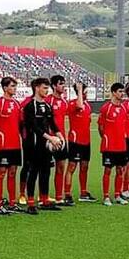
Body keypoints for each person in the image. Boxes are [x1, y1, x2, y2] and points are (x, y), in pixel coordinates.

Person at [23, 78, 64, 214]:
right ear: (36, 88)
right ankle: (30, 203)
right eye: (44, 88)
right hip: (34, 144)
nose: (47, 91)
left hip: (46, 145)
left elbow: (52, 123)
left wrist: (59, 135)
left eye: (47, 88)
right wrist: (50, 137)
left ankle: (44, 200)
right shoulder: (30, 106)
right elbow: (34, 127)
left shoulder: (47, 106)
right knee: (33, 172)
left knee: (45, 171)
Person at [0, 76, 24, 213]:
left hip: (15, 144)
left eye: (15, 86)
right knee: (1, 173)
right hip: (3, 145)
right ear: (5, 88)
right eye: (12, 86)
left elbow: (20, 124)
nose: (14, 89)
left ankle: (12, 202)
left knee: (12, 173)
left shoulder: (17, 104)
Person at [63, 82, 94, 204]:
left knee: (84, 167)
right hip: (75, 141)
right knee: (72, 167)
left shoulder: (88, 105)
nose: (87, 93)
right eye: (84, 91)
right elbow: (79, 105)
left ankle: (83, 192)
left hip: (86, 141)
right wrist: (80, 89)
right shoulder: (73, 104)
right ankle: (67, 194)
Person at [99, 83, 129, 207]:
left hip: (121, 145)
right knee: (107, 170)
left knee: (120, 170)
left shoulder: (123, 108)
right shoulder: (106, 108)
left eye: (123, 91)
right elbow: (101, 127)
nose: (122, 94)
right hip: (109, 145)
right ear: (113, 92)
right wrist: (107, 138)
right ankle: (106, 197)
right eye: (120, 91)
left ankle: (117, 195)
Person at [46, 75, 69, 204]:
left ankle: (59, 197)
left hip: (61, 140)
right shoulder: (48, 101)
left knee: (60, 167)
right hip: (49, 140)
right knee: (45, 169)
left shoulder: (64, 102)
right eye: (60, 84)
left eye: (64, 84)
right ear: (54, 86)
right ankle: (44, 196)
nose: (63, 86)